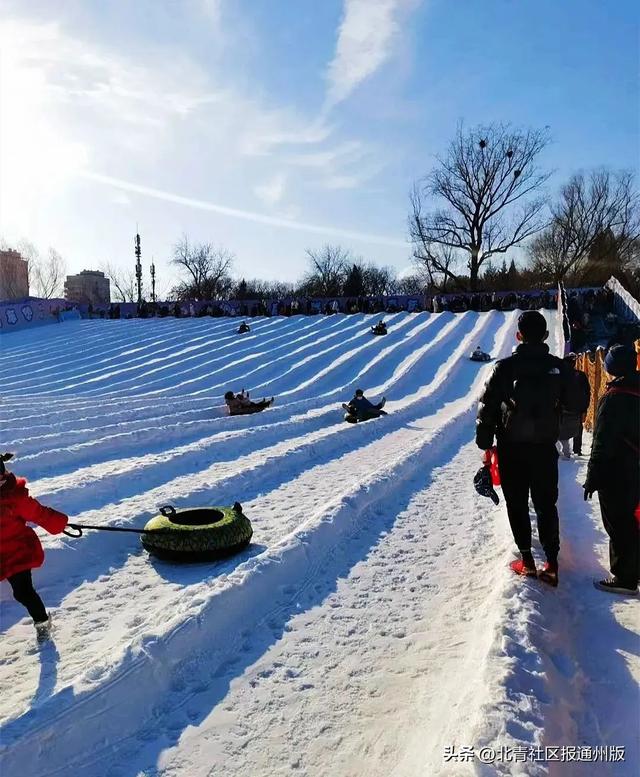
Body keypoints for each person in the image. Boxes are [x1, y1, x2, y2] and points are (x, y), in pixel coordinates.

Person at [475, 311, 587, 586]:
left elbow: (486, 407)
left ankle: (526, 561)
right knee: (546, 503)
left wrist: (485, 442)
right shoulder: (559, 368)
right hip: (544, 447)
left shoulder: (504, 368)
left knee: (516, 503)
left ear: (518, 336)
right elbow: (576, 403)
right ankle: (551, 563)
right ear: (546, 336)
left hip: (511, 448)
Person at [585, 345, 639, 595]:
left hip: (618, 471)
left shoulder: (613, 398)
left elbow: (602, 442)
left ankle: (625, 577)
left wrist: (592, 477)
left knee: (618, 522)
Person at [0, 453, 68, 641]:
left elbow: (39, 514)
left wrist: (60, 523)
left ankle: (42, 623)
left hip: (17, 551)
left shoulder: (15, 496)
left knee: (23, 592)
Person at [557, 353, 591, 458]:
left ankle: (563, 450)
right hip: (577, 409)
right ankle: (577, 449)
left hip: (562, 408)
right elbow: (587, 392)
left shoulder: (560, 376)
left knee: (561, 427)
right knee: (578, 427)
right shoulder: (581, 375)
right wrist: (585, 408)